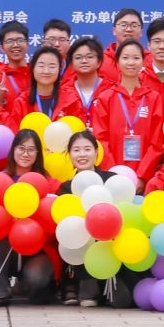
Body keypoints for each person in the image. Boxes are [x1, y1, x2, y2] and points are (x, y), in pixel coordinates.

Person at [0, 130, 56, 307]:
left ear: (38, 154)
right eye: (21, 148)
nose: (25, 154)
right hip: (4, 249)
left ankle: (24, 285)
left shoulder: (48, 182)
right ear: (13, 150)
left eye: (31, 150)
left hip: (35, 246)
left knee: (38, 282)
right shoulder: (0, 180)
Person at [92, 40, 164, 184]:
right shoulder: (105, 98)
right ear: (117, 62)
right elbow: (101, 140)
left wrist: (142, 177)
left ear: (143, 62)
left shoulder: (153, 98)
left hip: (144, 179)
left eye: (136, 58)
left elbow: (156, 143)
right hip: (112, 178)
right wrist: (113, 174)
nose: (131, 62)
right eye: (125, 58)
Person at [62, 130, 106, 307]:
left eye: (87, 149)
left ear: (96, 152)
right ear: (69, 154)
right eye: (76, 150)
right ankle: (77, 283)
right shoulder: (65, 189)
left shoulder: (111, 180)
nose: (82, 154)